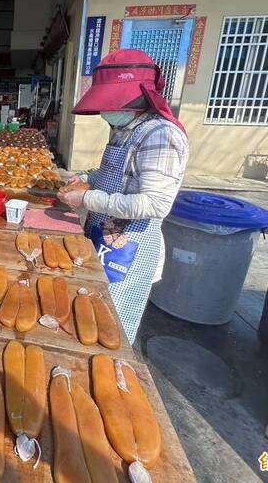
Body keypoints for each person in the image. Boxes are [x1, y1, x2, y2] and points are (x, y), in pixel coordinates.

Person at [57, 49, 189, 343]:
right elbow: (118, 173)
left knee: (109, 328)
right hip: (100, 235)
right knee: (85, 315)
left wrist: (86, 199)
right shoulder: (124, 129)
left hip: (128, 249)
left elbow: (155, 204)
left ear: (134, 99)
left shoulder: (160, 135)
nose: (105, 112)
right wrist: (88, 178)